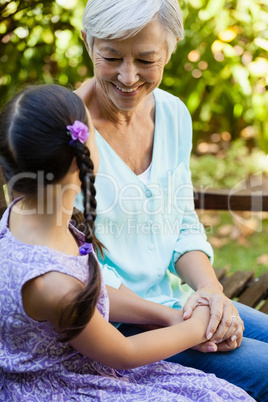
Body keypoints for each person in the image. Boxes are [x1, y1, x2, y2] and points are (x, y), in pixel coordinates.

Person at [0, 84, 255, 401]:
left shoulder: (25, 215)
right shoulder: (55, 286)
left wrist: (172, 317)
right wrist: (196, 326)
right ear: (84, 156)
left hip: (87, 356)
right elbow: (122, 352)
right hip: (68, 380)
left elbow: (93, 290)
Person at [74, 1, 268, 400]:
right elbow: (73, 270)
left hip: (175, 303)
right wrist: (182, 322)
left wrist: (211, 294)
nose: (128, 77)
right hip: (114, 329)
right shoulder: (67, 133)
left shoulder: (174, 114)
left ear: (170, 49)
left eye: (147, 59)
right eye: (111, 57)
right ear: (87, 42)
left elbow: (181, 223)